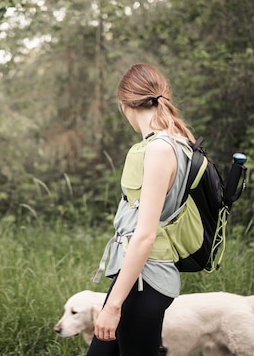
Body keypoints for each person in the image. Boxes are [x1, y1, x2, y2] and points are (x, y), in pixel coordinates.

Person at [88, 63, 196, 356]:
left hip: (144, 281)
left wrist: (112, 306)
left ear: (126, 105)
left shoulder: (160, 149)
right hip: (135, 278)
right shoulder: (180, 143)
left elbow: (145, 235)